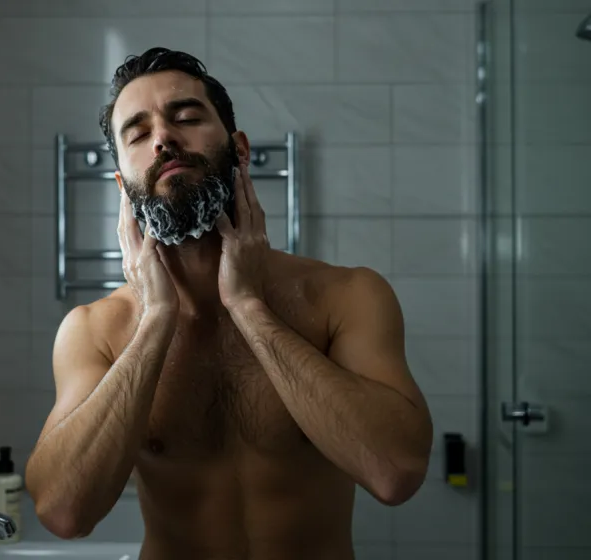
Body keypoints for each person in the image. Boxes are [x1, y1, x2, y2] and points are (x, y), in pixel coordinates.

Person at [25, 47, 433, 560]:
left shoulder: (345, 298)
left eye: (186, 117)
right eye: (137, 132)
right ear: (122, 185)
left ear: (239, 149)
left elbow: (395, 473)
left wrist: (248, 307)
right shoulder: (95, 331)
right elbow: (63, 511)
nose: (163, 138)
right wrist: (155, 319)